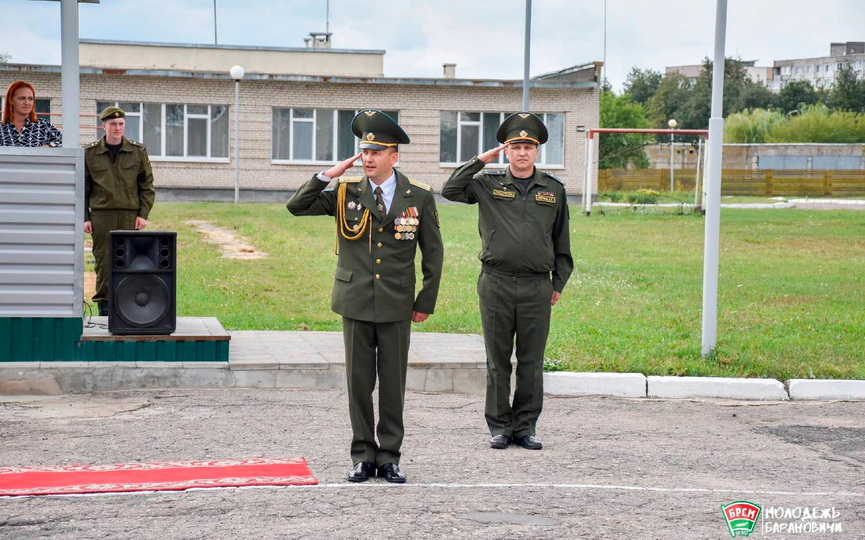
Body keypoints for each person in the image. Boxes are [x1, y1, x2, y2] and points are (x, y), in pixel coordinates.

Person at [287, 110, 443, 483]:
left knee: (392, 383)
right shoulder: (345, 192)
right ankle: (362, 455)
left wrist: (425, 300)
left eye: (377, 151)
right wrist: (330, 174)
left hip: (396, 302)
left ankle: (389, 456)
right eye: (364, 150)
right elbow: (296, 206)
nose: (368, 158)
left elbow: (433, 252)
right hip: (355, 299)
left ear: (394, 156)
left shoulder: (417, 196)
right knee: (359, 383)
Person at [442, 112, 573, 451]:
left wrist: (557, 283)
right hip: (496, 282)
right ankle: (500, 426)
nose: (522, 152)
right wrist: (482, 159)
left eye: (528, 146)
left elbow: (562, 243)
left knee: (531, 360)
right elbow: (451, 189)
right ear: (507, 150)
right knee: (497, 359)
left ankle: (525, 427)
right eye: (515, 146)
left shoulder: (553, 190)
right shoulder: (488, 184)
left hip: (536, 285)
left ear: (537, 151)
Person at [84, 106, 156, 316]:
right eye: (113, 124)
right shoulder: (90, 153)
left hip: (129, 215)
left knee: (128, 259)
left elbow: (147, 185)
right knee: (104, 261)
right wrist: (85, 218)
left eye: (121, 124)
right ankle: (104, 306)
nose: (117, 128)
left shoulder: (137, 151)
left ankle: (126, 304)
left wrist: (143, 214)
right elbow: (83, 188)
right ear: (103, 125)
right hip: (101, 215)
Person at [0, 80, 62, 147]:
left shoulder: (43, 125)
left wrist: (50, 146)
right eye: (22, 98)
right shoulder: (1, 128)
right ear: (11, 100)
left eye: (30, 99)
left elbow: (67, 142)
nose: (27, 103)